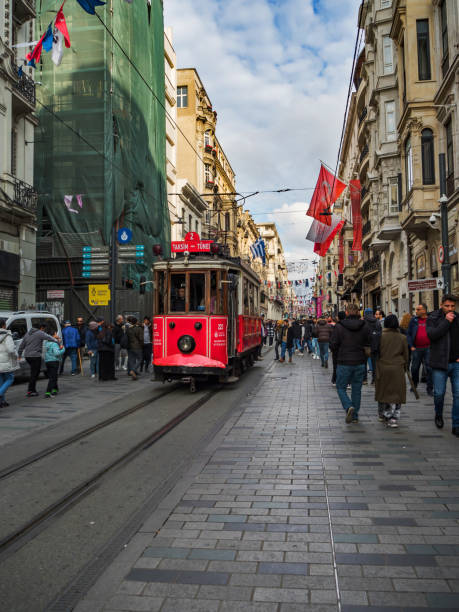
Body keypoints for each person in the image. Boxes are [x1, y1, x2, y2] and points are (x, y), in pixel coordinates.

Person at [330, 303, 370, 424]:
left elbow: (333, 345)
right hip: (360, 362)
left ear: (346, 312)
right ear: (358, 312)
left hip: (344, 362)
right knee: (356, 390)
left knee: (341, 387)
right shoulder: (365, 326)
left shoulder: (339, 326)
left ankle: (348, 406)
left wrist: (338, 354)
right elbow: (368, 344)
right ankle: (355, 416)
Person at [427, 294, 459, 435]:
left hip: (456, 363)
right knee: (439, 394)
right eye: (447, 306)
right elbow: (432, 335)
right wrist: (446, 321)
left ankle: (456, 424)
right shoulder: (433, 318)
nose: (450, 308)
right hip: (439, 363)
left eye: (452, 306)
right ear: (441, 305)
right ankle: (438, 414)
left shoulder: (458, 318)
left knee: (458, 395)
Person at [375, 314, 409, 427]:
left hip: (383, 367)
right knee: (397, 393)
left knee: (384, 392)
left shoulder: (380, 336)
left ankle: (384, 414)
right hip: (397, 367)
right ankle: (394, 417)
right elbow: (406, 355)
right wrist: (405, 366)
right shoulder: (402, 337)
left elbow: (376, 352)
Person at [18, 323, 58, 397]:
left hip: (27, 356)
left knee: (34, 372)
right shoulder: (39, 333)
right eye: (43, 329)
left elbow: (22, 345)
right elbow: (49, 337)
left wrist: (19, 354)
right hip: (35, 356)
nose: (43, 330)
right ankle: (31, 390)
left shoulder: (27, 334)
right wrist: (57, 341)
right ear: (41, 328)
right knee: (34, 373)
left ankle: (31, 389)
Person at [407, 303, 433, 396]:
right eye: (416, 309)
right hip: (416, 348)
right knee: (414, 368)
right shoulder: (413, 320)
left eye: (418, 309)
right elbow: (409, 334)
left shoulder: (431, 320)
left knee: (430, 369)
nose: (416, 311)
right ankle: (414, 385)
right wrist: (411, 346)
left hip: (429, 348)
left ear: (424, 310)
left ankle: (430, 388)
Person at [0, 318, 19, 407]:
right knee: (10, 379)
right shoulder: (7, 336)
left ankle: (2, 401)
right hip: (6, 362)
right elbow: (11, 349)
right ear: (4, 325)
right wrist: (16, 355)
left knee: (1, 382)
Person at [363, 307, 382, 385]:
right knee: (375, 364)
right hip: (374, 346)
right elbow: (380, 334)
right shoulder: (377, 322)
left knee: (364, 364)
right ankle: (374, 380)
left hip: (364, 346)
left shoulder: (363, 322)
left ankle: (364, 379)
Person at [44, 330, 65, 397]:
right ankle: (48, 392)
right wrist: (63, 349)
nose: (57, 334)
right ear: (53, 335)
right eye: (56, 333)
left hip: (48, 361)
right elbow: (57, 353)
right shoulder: (54, 343)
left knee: (53, 376)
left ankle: (55, 389)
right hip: (54, 361)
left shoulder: (47, 342)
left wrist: (58, 340)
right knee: (53, 377)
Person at [331, 311, 346, 385]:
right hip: (348, 350)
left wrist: (332, 348)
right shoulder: (348, 325)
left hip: (338, 350)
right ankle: (348, 382)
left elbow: (334, 339)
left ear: (339, 317)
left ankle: (335, 380)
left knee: (336, 365)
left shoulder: (337, 326)